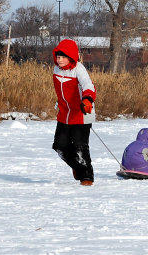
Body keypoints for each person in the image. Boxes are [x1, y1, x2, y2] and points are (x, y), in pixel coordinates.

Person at [51, 39, 96, 186]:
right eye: (58, 57)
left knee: (80, 146)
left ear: (70, 56)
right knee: (59, 145)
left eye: (63, 57)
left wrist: (88, 99)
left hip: (81, 112)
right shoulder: (56, 69)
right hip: (64, 113)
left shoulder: (79, 69)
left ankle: (87, 177)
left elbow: (88, 85)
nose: (60, 60)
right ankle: (77, 167)